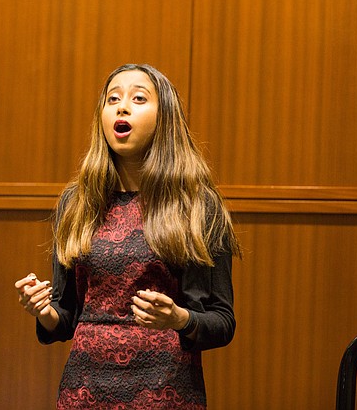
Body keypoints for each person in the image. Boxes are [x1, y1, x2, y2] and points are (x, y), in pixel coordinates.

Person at [15, 63, 241, 409]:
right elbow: (65, 317)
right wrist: (43, 310)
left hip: (165, 391)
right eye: (113, 99)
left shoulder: (196, 205)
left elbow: (221, 322)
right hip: (84, 391)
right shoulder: (76, 202)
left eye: (138, 98)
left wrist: (179, 318)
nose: (122, 106)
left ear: (164, 118)